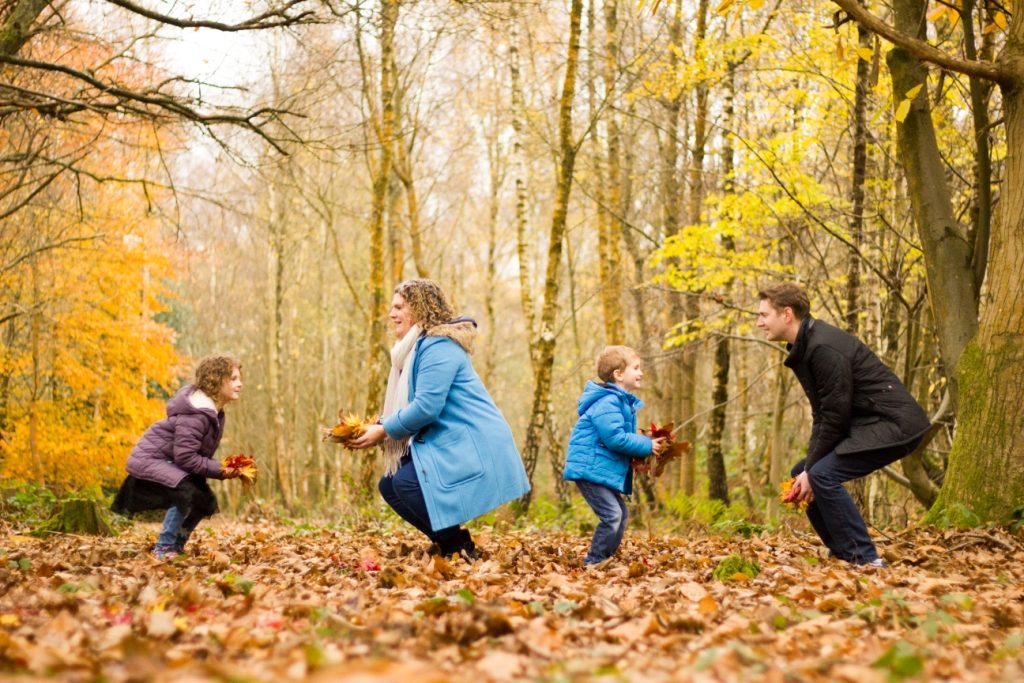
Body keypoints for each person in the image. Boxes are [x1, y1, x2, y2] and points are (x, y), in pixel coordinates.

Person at [350, 279, 530, 560]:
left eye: (399, 307)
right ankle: (455, 545)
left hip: (471, 440)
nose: (391, 314)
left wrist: (384, 430)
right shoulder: (414, 349)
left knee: (407, 483)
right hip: (446, 439)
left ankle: (456, 547)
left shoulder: (438, 346)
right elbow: (413, 401)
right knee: (390, 484)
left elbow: (425, 407)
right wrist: (379, 424)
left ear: (419, 309)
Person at [756, 283, 931, 567]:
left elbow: (834, 417)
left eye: (764, 315)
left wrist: (814, 469)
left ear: (787, 314)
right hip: (868, 424)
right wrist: (809, 468)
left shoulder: (822, 347)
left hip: (894, 424)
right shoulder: (809, 343)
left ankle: (865, 559)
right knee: (802, 472)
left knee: (820, 475)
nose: (759, 322)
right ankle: (844, 554)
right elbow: (824, 414)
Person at [111, 356, 243, 559]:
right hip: (150, 460)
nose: (240, 384)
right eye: (233, 379)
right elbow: (186, 457)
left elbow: (193, 454)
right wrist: (220, 470)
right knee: (187, 493)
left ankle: (177, 545)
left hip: (170, 460)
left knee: (205, 500)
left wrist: (225, 466)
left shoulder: (214, 412)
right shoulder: (197, 414)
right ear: (216, 381)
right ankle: (163, 548)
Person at [563, 346, 667, 566]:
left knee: (621, 514)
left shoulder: (621, 403)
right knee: (612, 515)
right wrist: (647, 445)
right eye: (636, 368)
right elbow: (615, 439)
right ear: (618, 375)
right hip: (589, 470)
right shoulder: (607, 402)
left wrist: (643, 441)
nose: (641, 373)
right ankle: (594, 560)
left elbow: (622, 438)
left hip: (600, 469)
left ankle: (605, 557)